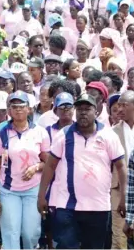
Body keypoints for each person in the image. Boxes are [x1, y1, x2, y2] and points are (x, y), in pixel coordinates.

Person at [38, 93, 127, 248]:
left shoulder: (108, 135)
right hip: (67, 206)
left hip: (98, 207)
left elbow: (121, 166)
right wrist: (41, 196)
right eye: (79, 109)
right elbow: (50, 166)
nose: (83, 112)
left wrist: (124, 197)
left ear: (97, 112)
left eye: (87, 109)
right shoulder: (64, 134)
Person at [0, 91, 50, 249]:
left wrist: (36, 167)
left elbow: (49, 161)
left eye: (21, 106)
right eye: (13, 107)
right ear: (9, 111)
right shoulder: (1, 134)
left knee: (30, 233)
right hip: (8, 190)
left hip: (33, 189)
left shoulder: (40, 132)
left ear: (29, 109)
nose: (18, 110)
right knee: (11, 234)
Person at [113, 91, 134, 249]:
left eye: (124, 105)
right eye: (118, 105)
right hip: (119, 189)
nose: (119, 109)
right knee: (119, 237)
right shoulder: (112, 133)